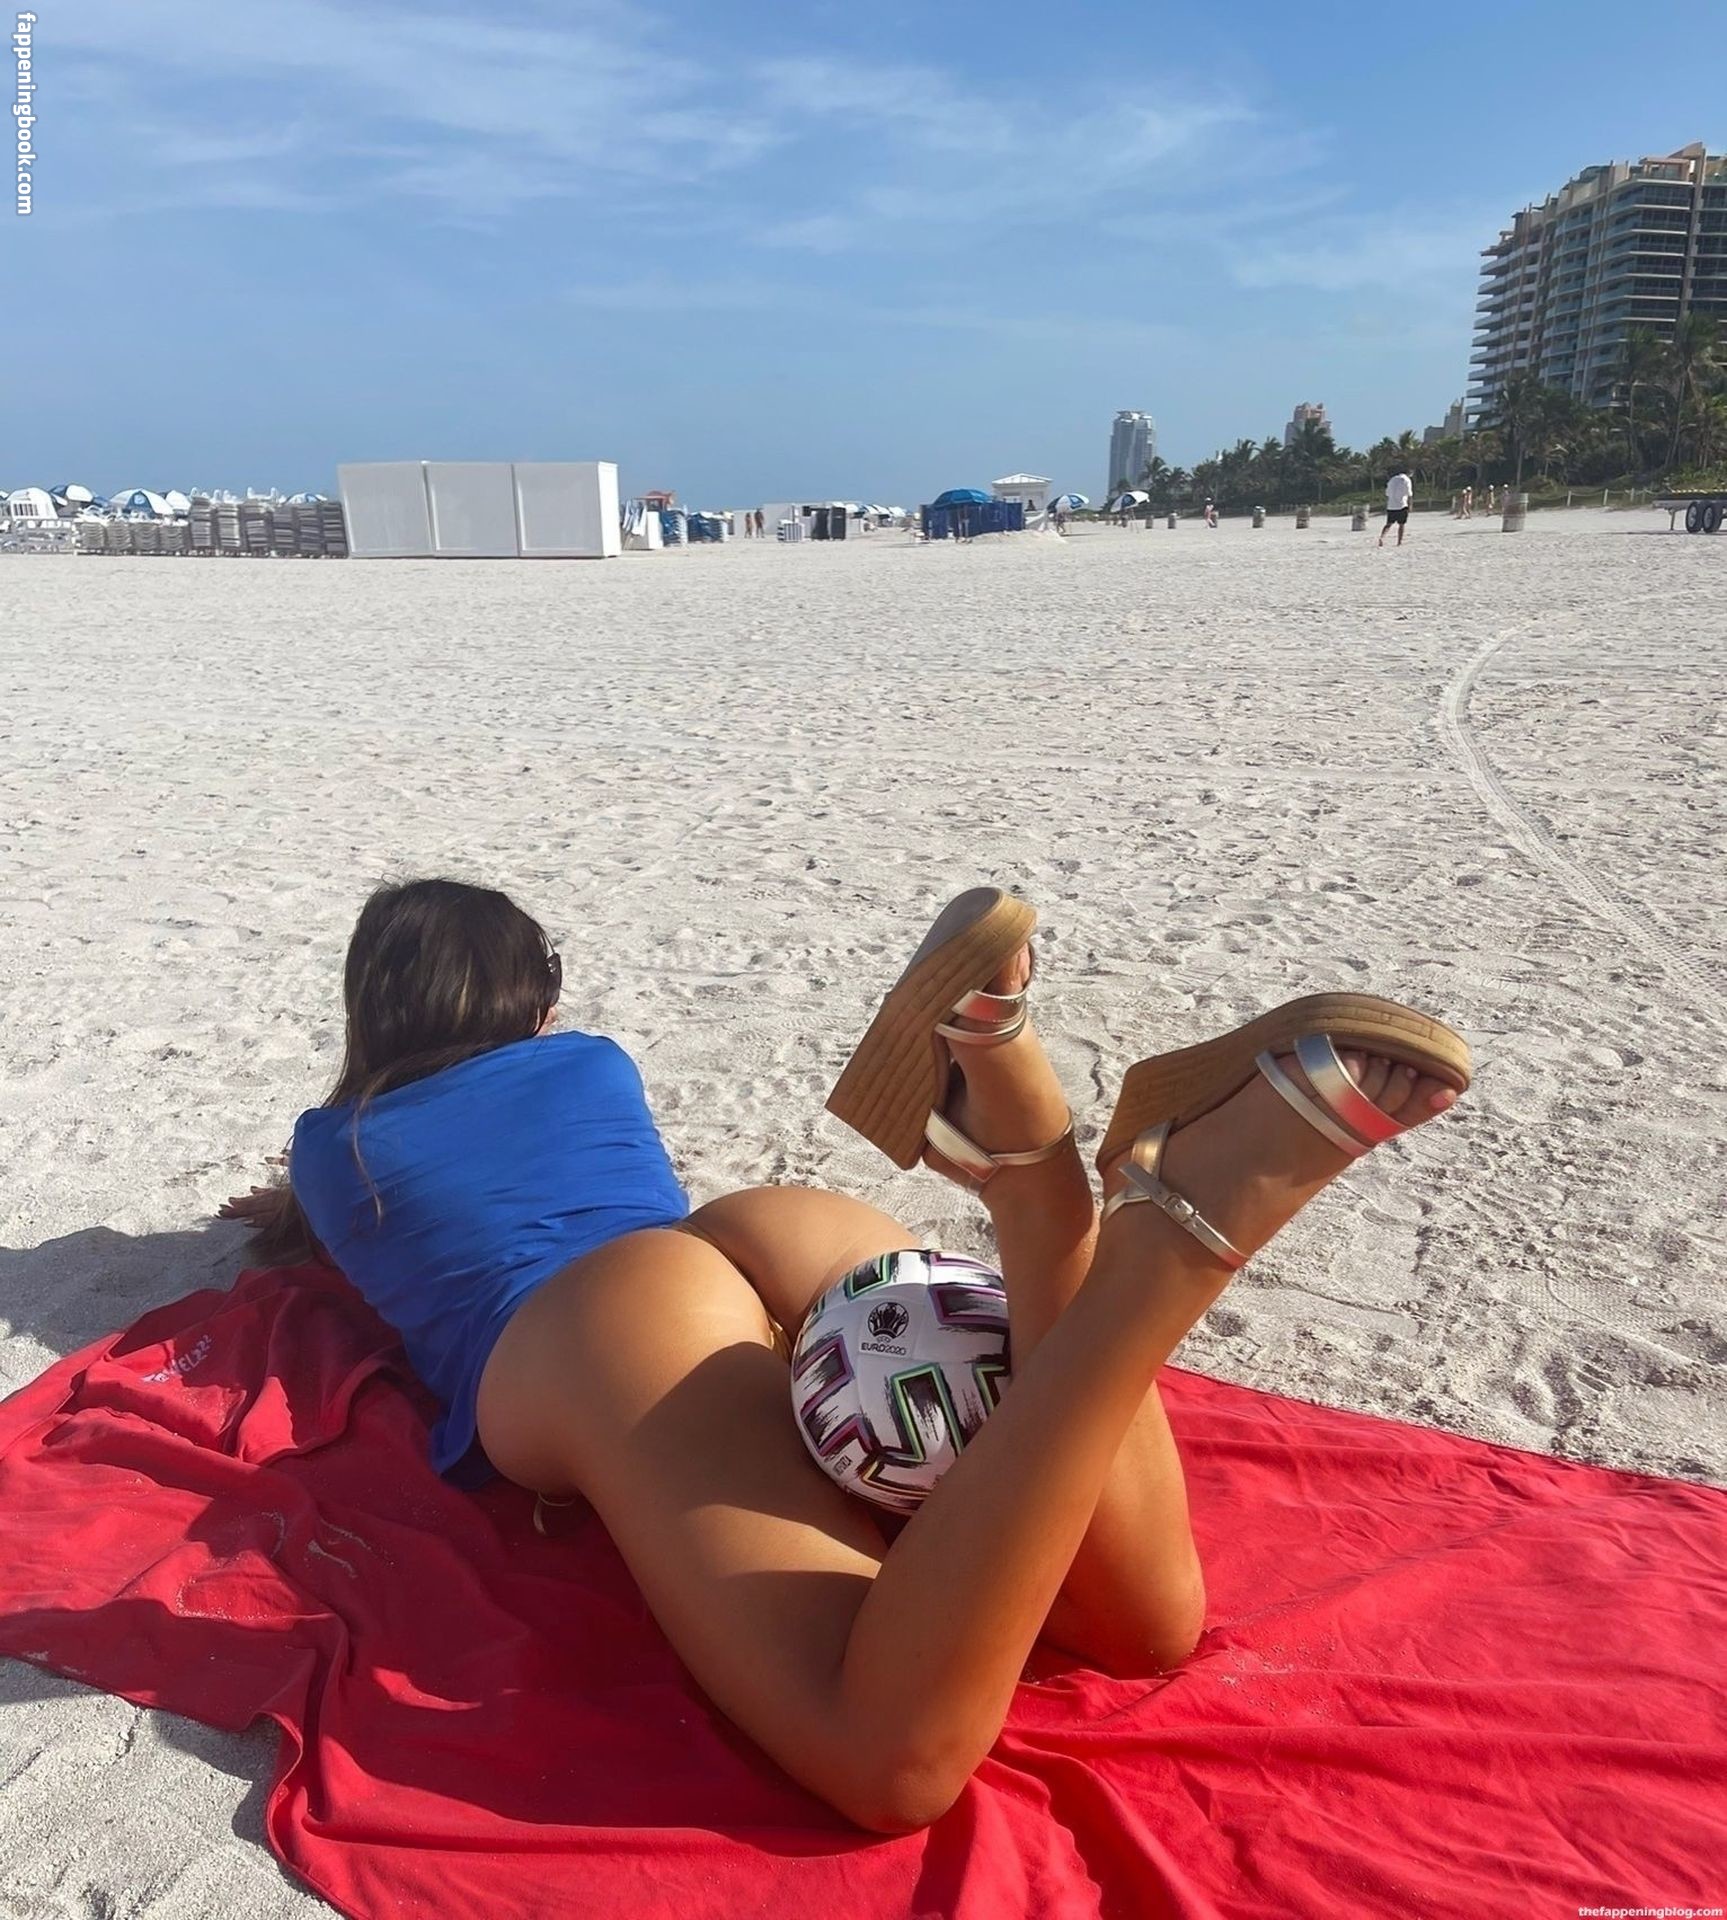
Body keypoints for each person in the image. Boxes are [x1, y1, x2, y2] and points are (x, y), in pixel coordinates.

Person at [224, 878, 1468, 1833]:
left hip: (607, 1326)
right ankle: (1027, 1185)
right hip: (766, 1236)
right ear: (539, 1001)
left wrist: (283, 1207)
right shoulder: (590, 1062)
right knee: (1144, 1632)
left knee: (881, 1756)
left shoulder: (336, 1148)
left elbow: (360, 1227)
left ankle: (1163, 1253)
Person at [1379, 468, 1414, 547]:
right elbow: (1409, 494)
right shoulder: (1406, 480)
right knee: (1401, 524)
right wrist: (1410, 505)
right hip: (1402, 505)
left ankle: (1382, 537)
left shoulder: (1392, 479)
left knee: (1388, 524)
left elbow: (1387, 493)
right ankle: (1399, 542)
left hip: (1391, 505)